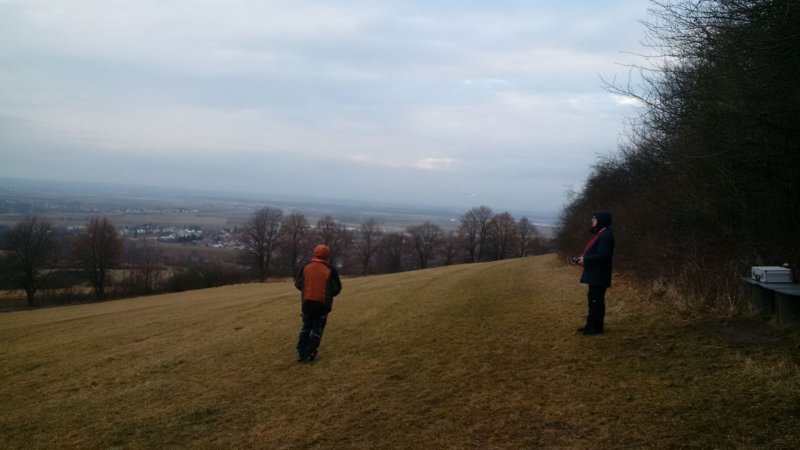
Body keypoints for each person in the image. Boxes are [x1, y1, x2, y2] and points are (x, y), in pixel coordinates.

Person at [294, 244, 342, 363]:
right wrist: (329, 294)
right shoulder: (330, 270)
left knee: (306, 327)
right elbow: (337, 288)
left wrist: (307, 290)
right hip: (322, 305)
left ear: (315, 253)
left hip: (307, 303)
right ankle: (310, 353)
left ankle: (301, 352)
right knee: (317, 329)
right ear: (327, 255)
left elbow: (298, 283)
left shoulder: (305, 267)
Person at [576, 211, 615, 336]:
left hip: (599, 274)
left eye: (594, 219)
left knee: (596, 301)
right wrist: (583, 259)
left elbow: (603, 255)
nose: (592, 221)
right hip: (596, 273)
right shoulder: (601, 233)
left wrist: (586, 260)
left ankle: (596, 328)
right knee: (593, 301)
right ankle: (590, 324)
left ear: (600, 221)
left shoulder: (606, 235)